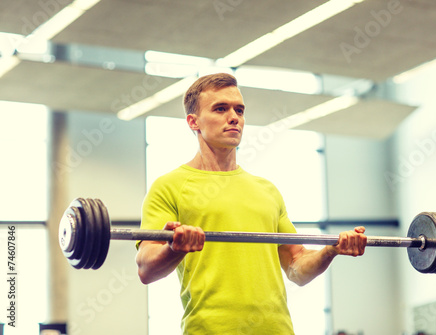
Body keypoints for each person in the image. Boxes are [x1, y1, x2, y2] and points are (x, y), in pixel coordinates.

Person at [135, 72, 367, 334]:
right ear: (193, 121)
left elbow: (296, 267)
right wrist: (175, 248)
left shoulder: (266, 190)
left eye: (239, 110)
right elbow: (146, 268)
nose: (234, 117)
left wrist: (330, 250)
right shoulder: (169, 186)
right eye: (221, 108)